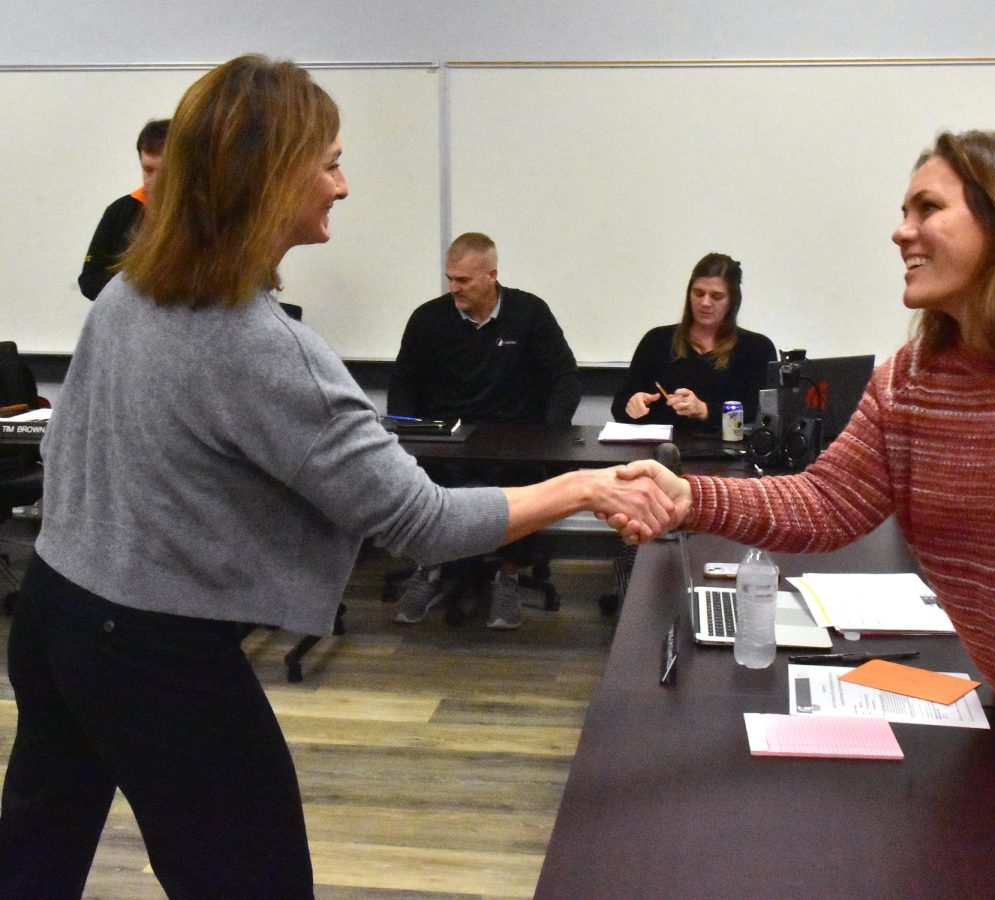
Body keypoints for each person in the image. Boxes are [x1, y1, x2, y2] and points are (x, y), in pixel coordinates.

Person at [0, 55, 672, 899]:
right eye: (329, 162)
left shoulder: (128, 295)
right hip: (153, 654)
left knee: (35, 858)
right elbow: (421, 523)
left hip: (55, 615)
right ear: (270, 176)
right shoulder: (261, 347)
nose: (343, 186)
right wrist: (586, 488)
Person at [619, 131, 995, 896]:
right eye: (903, 210)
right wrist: (693, 495)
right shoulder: (915, 380)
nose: (901, 230)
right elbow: (829, 501)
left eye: (928, 208)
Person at [386, 232, 582, 629]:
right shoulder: (428, 319)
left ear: (491, 275)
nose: (453, 288)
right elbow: (403, 384)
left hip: (515, 440)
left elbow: (565, 378)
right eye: (450, 279)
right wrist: (407, 439)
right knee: (426, 481)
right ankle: (431, 570)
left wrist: (548, 434)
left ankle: (507, 575)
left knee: (525, 483)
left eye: (463, 280)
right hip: (448, 439)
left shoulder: (529, 313)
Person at [611, 253, 777, 434]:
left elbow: (765, 416)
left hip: (730, 456)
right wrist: (632, 405)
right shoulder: (656, 341)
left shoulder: (756, 348)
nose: (705, 302)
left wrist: (706, 411)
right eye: (698, 293)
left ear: (732, 301)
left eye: (716, 296)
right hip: (660, 452)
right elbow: (619, 406)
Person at [77, 117, 169, 301]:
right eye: (148, 170)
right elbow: (89, 280)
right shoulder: (119, 211)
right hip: (124, 324)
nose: (156, 182)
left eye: (166, 171)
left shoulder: (204, 215)